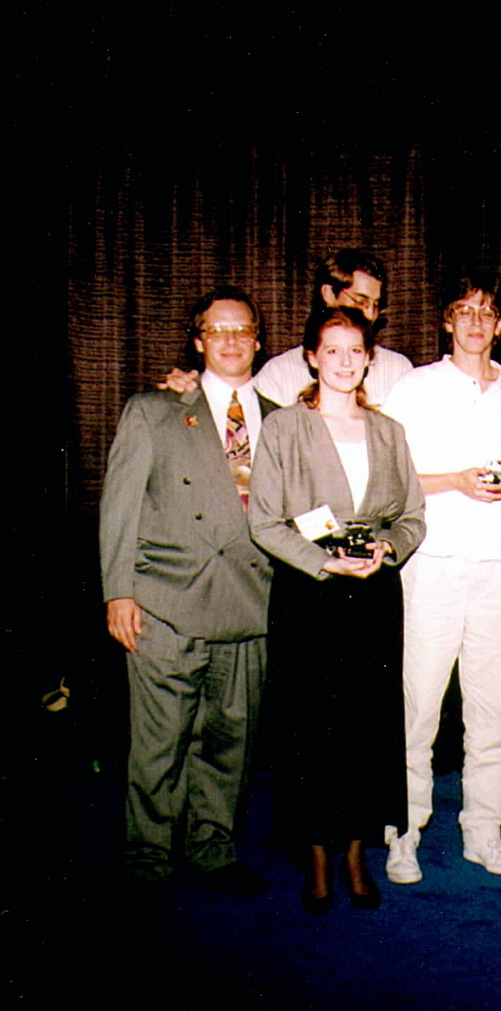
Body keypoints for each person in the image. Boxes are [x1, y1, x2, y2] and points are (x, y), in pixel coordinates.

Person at [99, 286, 276, 897]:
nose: (231, 340)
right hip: (165, 601)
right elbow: (118, 508)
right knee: (159, 743)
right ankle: (148, 857)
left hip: (251, 605)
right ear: (198, 341)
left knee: (231, 742)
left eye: (242, 330)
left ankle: (212, 849)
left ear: (258, 339)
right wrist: (117, 591)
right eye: (217, 330)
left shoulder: (282, 418)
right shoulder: (153, 409)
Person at [248, 307, 425, 912]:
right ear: (312, 358)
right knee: (310, 728)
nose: (345, 361)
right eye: (333, 350)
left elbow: (413, 518)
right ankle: (318, 858)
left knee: (366, 727)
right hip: (309, 593)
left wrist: (388, 548)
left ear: (370, 358)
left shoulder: (389, 432)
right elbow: (264, 523)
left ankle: (355, 851)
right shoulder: (284, 430)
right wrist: (324, 563)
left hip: (374, 593)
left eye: (356, 350)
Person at [380, 272, 501, 883]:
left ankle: (483, 830)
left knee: (491, 716)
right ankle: (404, 834)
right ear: (447, 321)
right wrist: (454, 480)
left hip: (500, 576)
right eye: (464, 312)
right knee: (418, 710)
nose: (476, 323)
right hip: (430, 569)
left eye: (487, 312)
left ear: (500, 325)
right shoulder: (415, 388)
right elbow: (391, 481)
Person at [253, 248, 413, 405]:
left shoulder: (397, 369)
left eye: (376, 305)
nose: (370, 314)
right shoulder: (278, 374)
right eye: (360, 301)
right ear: (329, 294)